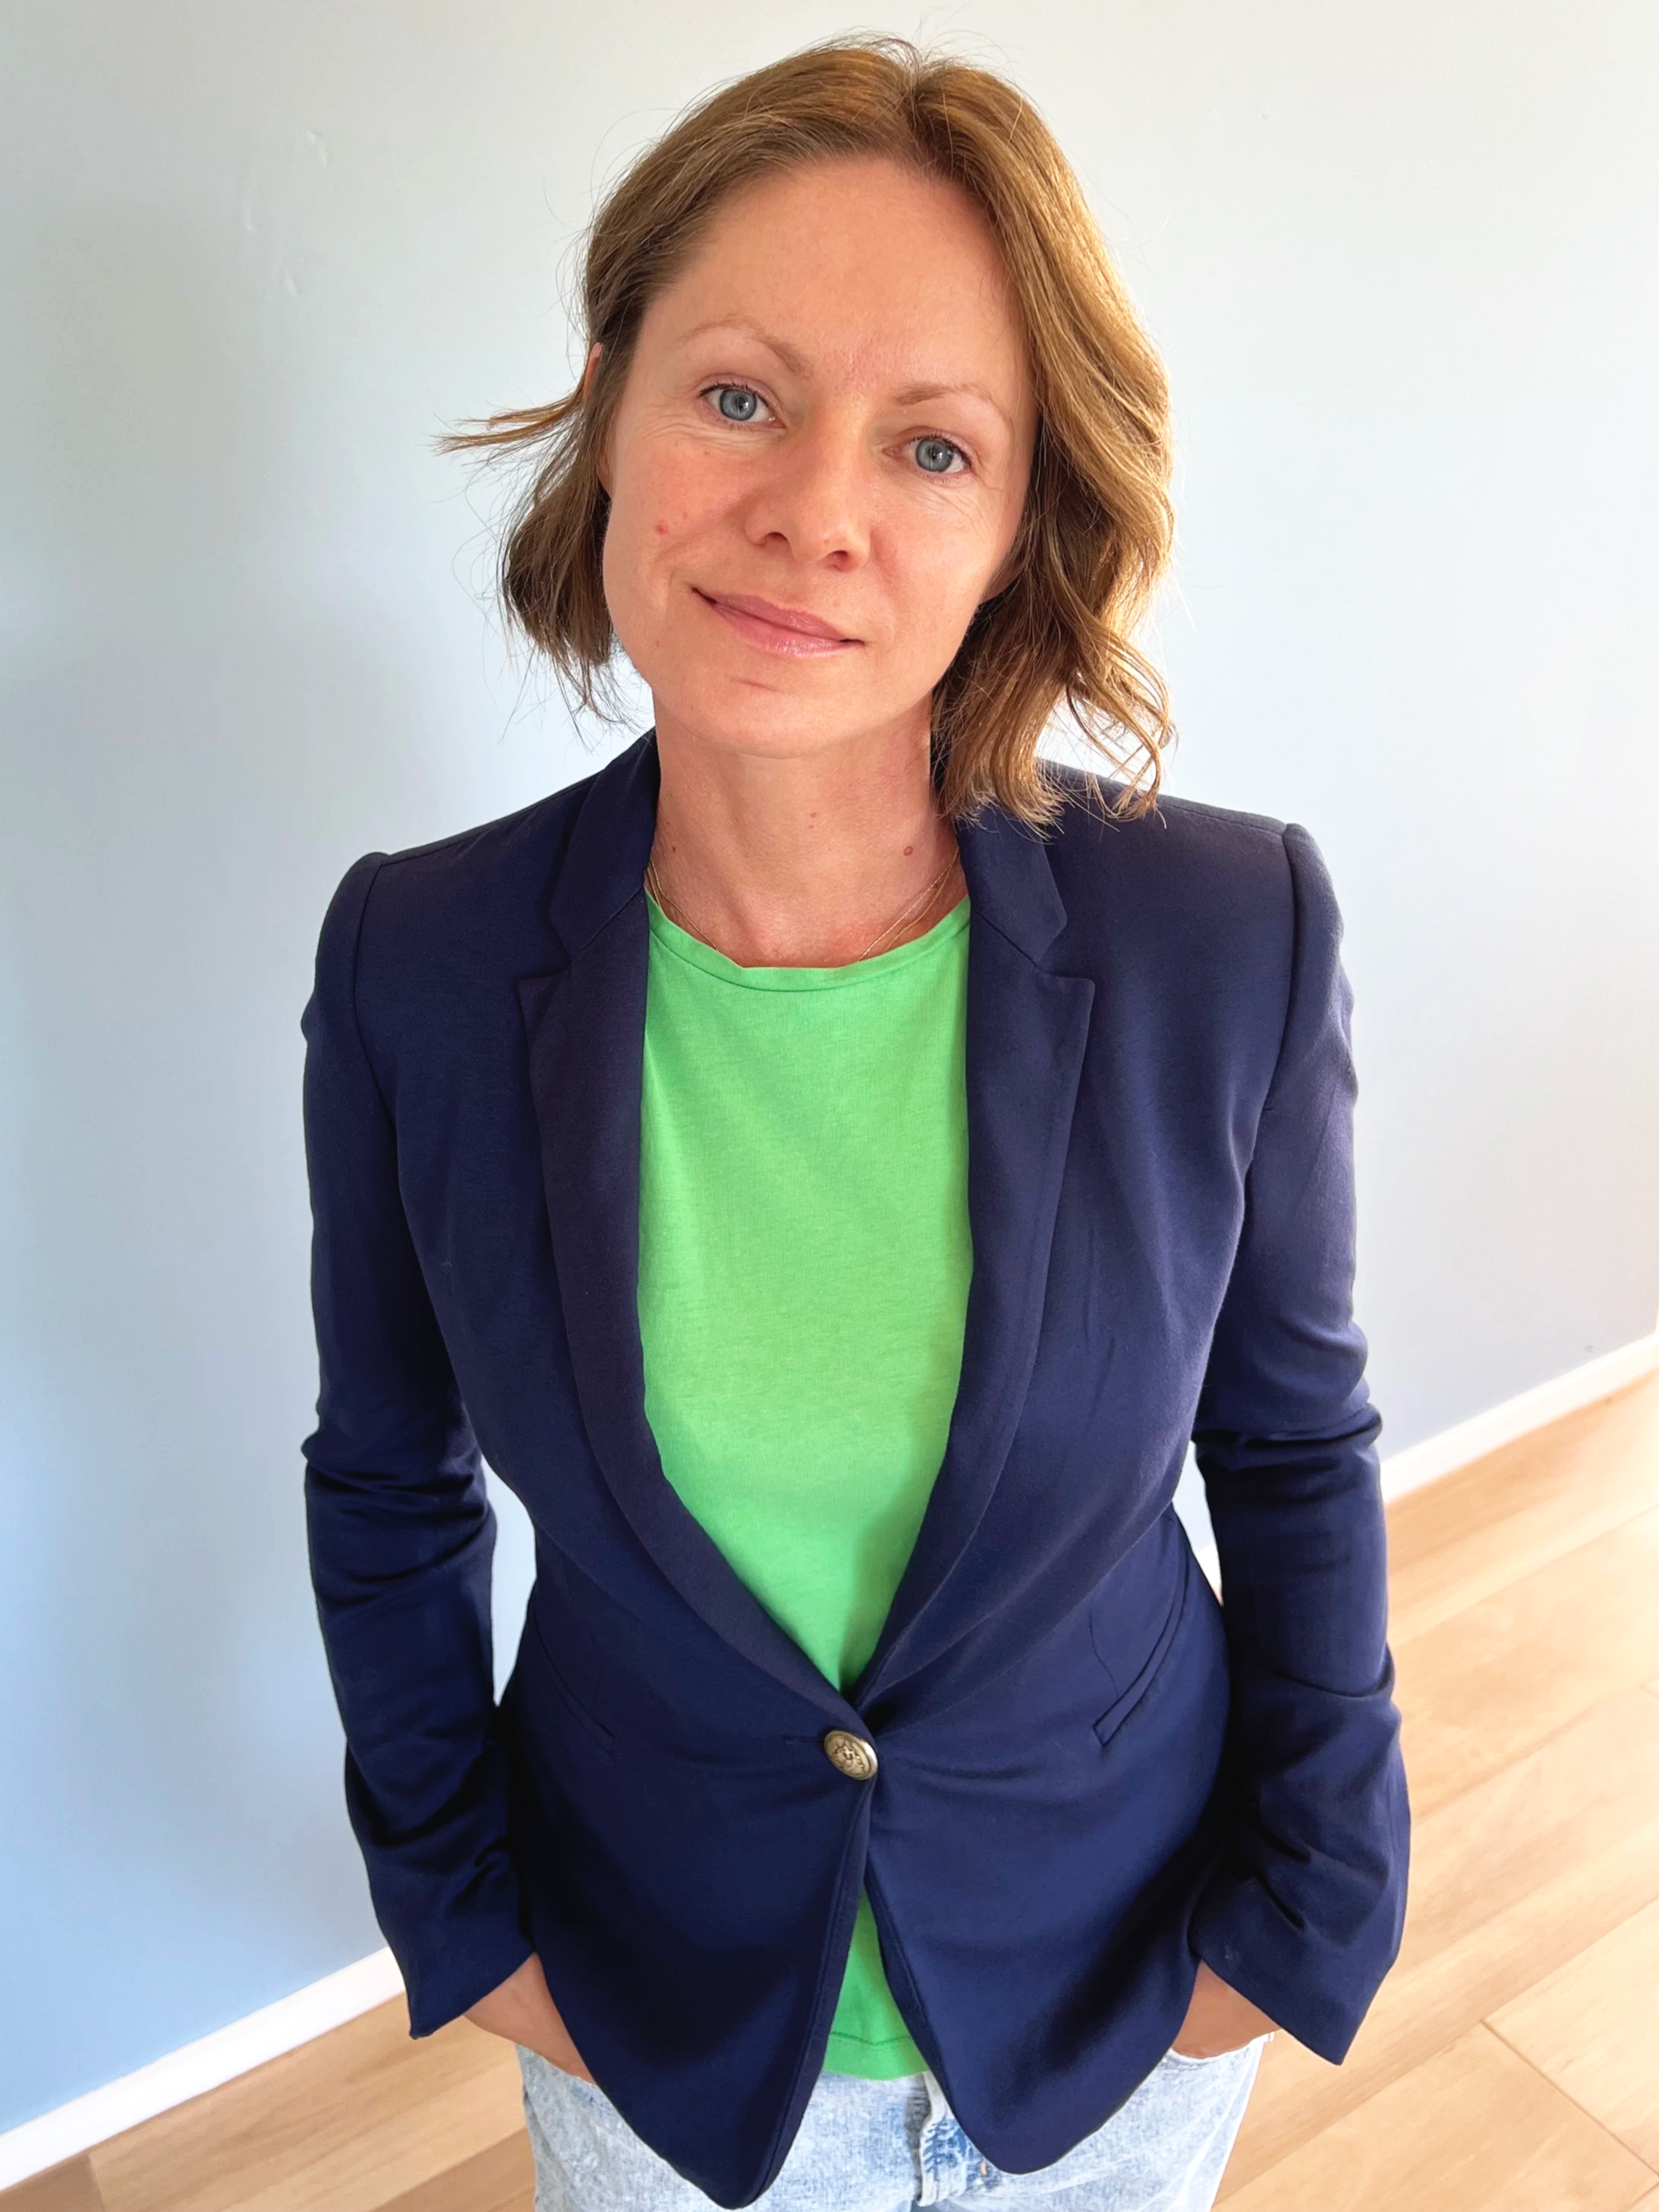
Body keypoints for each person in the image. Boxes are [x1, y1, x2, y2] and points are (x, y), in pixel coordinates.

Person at [300, 37, 1408, 2212]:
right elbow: (387, 1480)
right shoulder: (416, 962)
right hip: (660, 2028)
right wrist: (463, 1921)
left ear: (1016, 529)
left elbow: (1293, 1448)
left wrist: (1308, 1911)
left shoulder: (1226, 927)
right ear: (613, 399)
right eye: (737, 393)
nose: (817, 509)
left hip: (1123, 2009)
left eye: (930, 444)